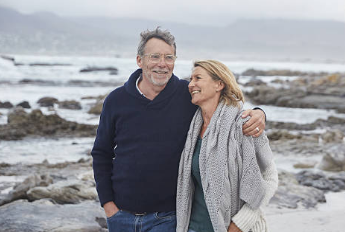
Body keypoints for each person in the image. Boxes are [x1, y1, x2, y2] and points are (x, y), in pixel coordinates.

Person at [91, 28, 266, 232]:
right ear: (140, 60)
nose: (162, 64)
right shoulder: (116, 100)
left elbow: (225, 108)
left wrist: (258, 112)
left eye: (169, 57)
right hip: (121, 217)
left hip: (167, 218)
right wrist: (108, 205)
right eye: (154, 57)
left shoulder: (188, 95)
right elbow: (101, 153)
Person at [176, 60, 278, 232]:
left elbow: (270, 177)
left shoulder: (244, 124)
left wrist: (240, 223)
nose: (191, 84)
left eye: (198, 78)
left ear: (219, 84)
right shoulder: (192, 126)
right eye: (191, 78)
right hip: (192, 227)